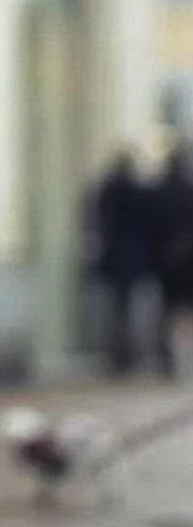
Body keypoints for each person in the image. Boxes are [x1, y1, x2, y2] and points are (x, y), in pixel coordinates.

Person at [89, 148, 156, 374]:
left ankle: (117, 352)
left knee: (116, 307)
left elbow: (96, 219)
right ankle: (126, 352)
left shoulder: (107, 189)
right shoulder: (138, 190)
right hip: (133, 256)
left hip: (113, 255)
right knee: (126, 306)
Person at [152, 142, 193, 378]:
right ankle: (184, 357)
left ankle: (169, 358)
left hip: (166, 260)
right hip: (188, 260)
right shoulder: (189, 190)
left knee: (168, 309)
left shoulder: (160, 191)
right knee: (187, 308)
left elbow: (151, 227)